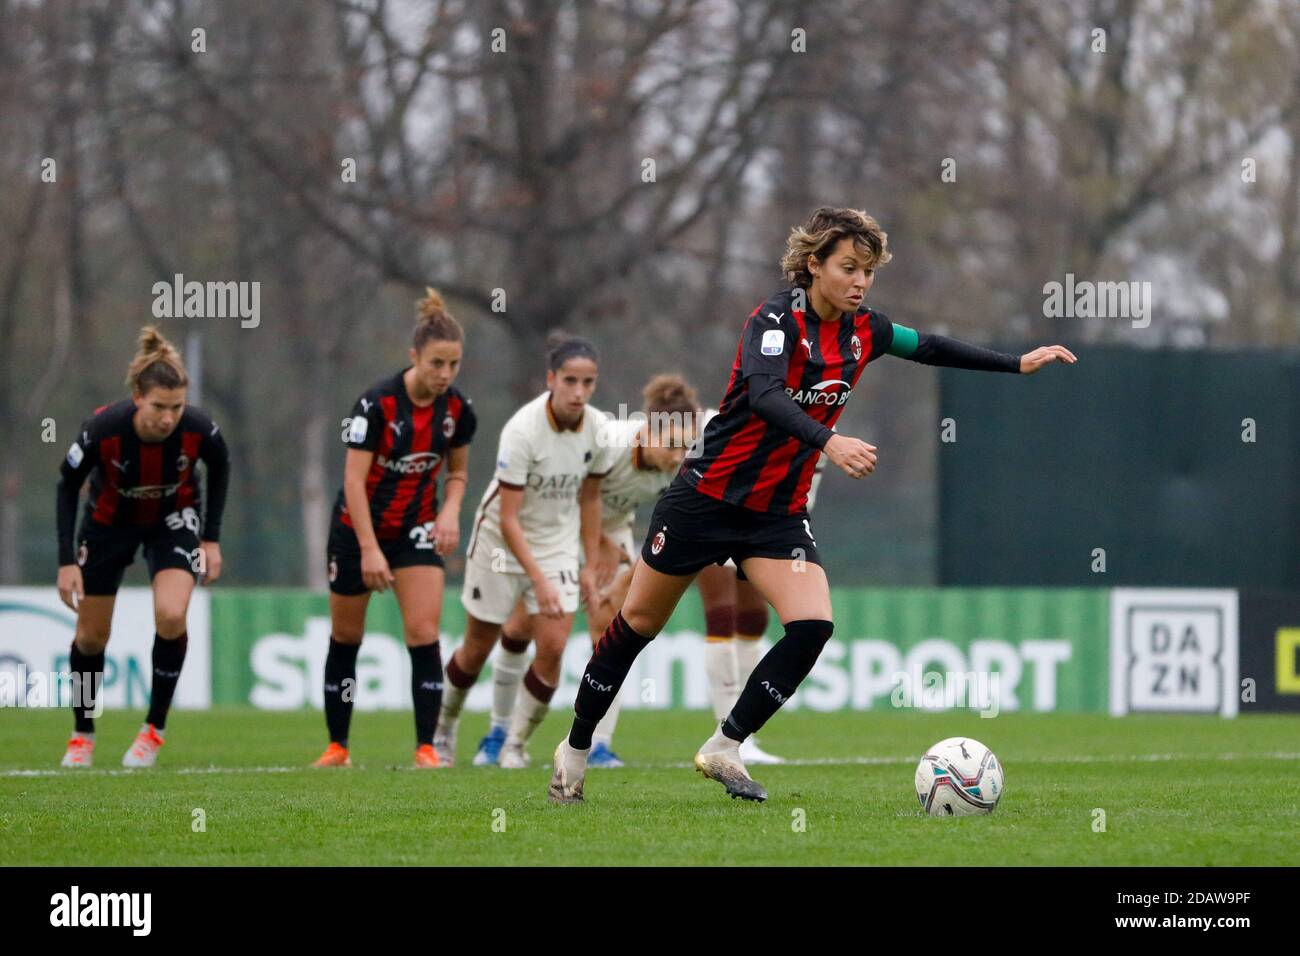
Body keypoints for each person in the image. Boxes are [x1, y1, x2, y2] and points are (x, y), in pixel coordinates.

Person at [548, 205, 1077, 803]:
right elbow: (767, 395)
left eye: (868, 271)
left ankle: (725, 746)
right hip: (707, 498)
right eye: (848, 267)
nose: (860, 281)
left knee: (813, 626)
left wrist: (1016, 362)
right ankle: (574, 749)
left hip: (776, 515)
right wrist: (832, 439)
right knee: (637, 626)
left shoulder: (866, 331)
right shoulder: (772, 322)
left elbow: (928, 346)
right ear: (812, 264)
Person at [481, 374, 699, 768]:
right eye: (670, 444)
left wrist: (622, 559)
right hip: (555, 524)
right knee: (520, 629)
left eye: (685, 444)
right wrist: (596, 547)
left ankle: (597, 743)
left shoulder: (680, 464)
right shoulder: (608, 442)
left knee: (611, 630)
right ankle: (497, 734)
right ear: (646, 429)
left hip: (611, 529)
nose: (677, 455)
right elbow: (568, 499)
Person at [434, 334, 617, 769]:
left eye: (588, 383)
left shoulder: (598, 430)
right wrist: (536, 580)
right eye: (570, 380)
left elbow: (590, 501)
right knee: (478, 646)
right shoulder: (522, 430)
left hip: (555, 543)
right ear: (551, 379)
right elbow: (510, 517)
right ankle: (442, 731)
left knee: (553, 646)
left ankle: (512, 744)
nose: (579, 392)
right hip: (500, 540)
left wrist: (590, 564)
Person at [312, 289, 476, 769]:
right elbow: (352, 481)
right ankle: (337, 746)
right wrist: (367, 549)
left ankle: (426, 748)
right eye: (436, 364)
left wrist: (449, 512)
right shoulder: (375, 405)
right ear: (413, 357)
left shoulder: (458, 411)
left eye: (453, 365)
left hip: (415, 529)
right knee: (346, 637)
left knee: (424, 633)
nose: (445, 375)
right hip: (356, 530)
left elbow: (458, 473)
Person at [55, 326, 230, 768]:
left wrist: (210, 538)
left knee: (172, 615)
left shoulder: (199, 427)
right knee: (91, 637)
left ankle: (154, 730)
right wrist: (64, 562)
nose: (168, 418)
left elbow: (221, 465)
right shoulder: (102, 429)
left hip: (173, 522)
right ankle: (83, 732)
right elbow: (66, 485)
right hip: (109, 525)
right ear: (137, 397)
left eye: (176, 407)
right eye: (158, 407)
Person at [695, 420, 826, 766]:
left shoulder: (824, 429)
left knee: (754, 620)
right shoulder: (754, 411)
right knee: (722, 617)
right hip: (718, 514)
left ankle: (742, 734)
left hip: (766, 527)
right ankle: (724, 729)